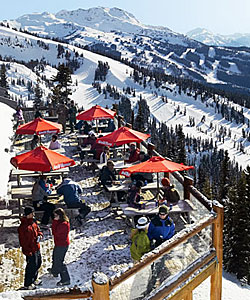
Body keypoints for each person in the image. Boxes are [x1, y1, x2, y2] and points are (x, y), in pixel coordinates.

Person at [18, 206, 43, 290]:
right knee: (31, 266)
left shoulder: (33, 222)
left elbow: (38, 230)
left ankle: (34, 279)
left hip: (36, 247)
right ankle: (28, 283)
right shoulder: (23, 227)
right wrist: (27, 251)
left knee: (38, 263)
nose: (34, 214)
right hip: (30, 250)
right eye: (32, 213)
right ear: (28, 214)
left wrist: (40, 235)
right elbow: (23, 241)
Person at [49, 208, 71, 286]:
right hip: (59, 244)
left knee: (59, 261)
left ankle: (65, 279)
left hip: (62, 245)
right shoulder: (60, 222)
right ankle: (55, 271)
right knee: (55, 257)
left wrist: (54, 222)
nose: (54, 217)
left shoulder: (64, 224)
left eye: (56, 215)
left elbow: (55, 232)